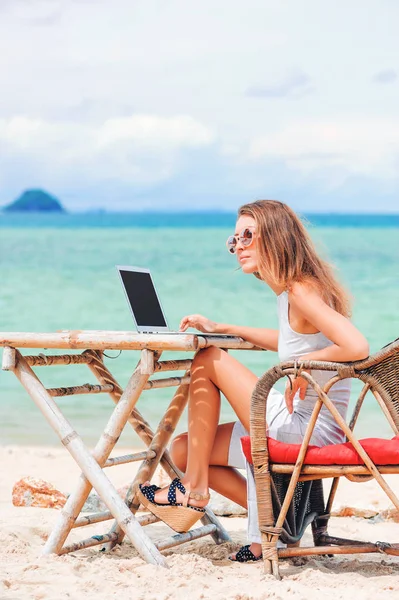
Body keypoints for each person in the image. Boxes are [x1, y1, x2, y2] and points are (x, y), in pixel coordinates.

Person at [138, 200, 369, 562]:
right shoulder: (290, 292)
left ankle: (194, 492)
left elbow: (357, 346)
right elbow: (294, 342)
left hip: (308, 429)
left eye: (249, 235)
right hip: (296, 420)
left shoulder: (300, 289)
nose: (240, 245)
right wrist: (222, 327)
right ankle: (269, 520)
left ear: (276, 237)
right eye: (235, 238)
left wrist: (298, 368)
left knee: (208, 359)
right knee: (184, 449)